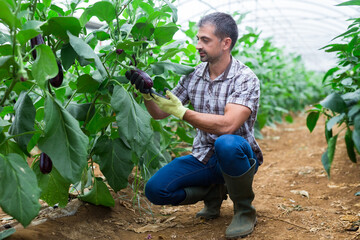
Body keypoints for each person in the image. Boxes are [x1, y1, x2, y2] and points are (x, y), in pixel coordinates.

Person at [126, 12, 263, 239]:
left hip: (237, 156)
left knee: (226, 143)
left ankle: (244, 210)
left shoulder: (245, 78)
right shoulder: (193, 75)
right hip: (203, 157)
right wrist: (147, 94)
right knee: (155, 189)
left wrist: (183, 112)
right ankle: (214, 191)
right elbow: (160, 113)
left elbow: (228, 126)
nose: (198, 45)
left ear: (226, 43)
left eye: (205, 40)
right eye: (198, 39)